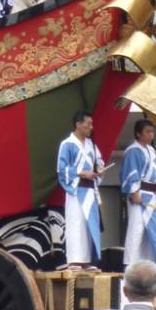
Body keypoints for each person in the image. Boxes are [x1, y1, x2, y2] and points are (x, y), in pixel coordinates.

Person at [119, 118, 156, 266]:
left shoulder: (151, 151)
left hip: (153, 196)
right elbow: (130, 172)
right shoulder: (132, 151)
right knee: (137, 230)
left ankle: (149, 265)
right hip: (140, 195)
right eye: (147, 132)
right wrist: (134, 192)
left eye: (152, 132)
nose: (151, 135)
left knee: (151, 232)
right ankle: (131, 264)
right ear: (138, 133)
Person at [56, 110, 104, 269]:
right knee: (76, 223)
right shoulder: (67, 144)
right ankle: (74, 260)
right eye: (88, 123)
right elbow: (61, 169)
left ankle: (86, 260)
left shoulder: (91, 145)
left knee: (89, 224)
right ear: (78, 124)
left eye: (92, 124)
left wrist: (99, 170)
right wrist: (82, 173)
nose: (91, 127)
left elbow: (99, 162)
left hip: (90, 190)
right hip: (76, 189)